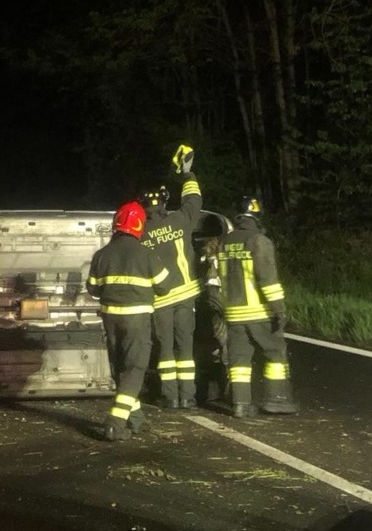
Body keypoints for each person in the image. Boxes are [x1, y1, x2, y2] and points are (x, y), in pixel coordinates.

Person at [87, 201, 172, 441]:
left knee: (120, 368)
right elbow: (164, 286)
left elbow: (93, 289)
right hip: (137, 319)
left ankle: (135, 419)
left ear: (116, 223)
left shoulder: (101, 255)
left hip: (111, 319)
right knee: (134, 369)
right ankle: (115, 422)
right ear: (139, 225)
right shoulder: (146, 254)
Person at [216, 196, 298, 418]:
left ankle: (241, 404)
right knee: (275, 353)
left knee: (240, 360)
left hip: (233, 313)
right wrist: (278, 309)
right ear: (257, 217)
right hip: (259, 311)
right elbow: (267, 279)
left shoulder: (225, 241)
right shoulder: (259, 241)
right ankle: (277, 399)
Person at [138, 144, 203, 409]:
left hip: (161, 300)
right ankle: (188, 396)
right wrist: (188, 175)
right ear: (165, 202)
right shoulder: (180, 221)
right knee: (185, 349)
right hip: (186, 296)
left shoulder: (140, 236)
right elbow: (194, 201)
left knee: (165, 352)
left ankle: (170, 397)